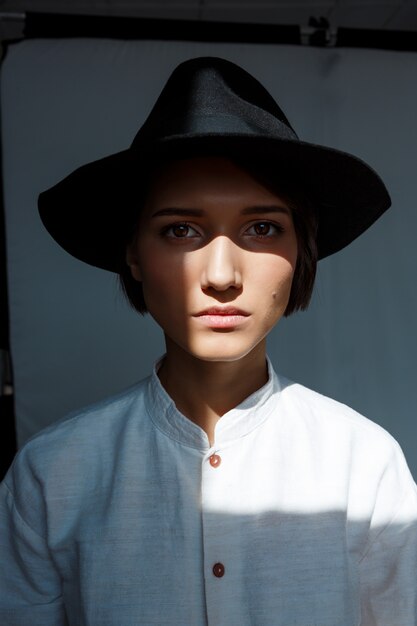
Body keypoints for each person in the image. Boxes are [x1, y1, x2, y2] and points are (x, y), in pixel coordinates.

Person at [1, 56, 416, 626]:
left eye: (262, 228)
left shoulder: (364, 465)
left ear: (301, 255)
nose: (221, 275)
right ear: (133, 255)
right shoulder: (52, 475)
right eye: (181, 230)